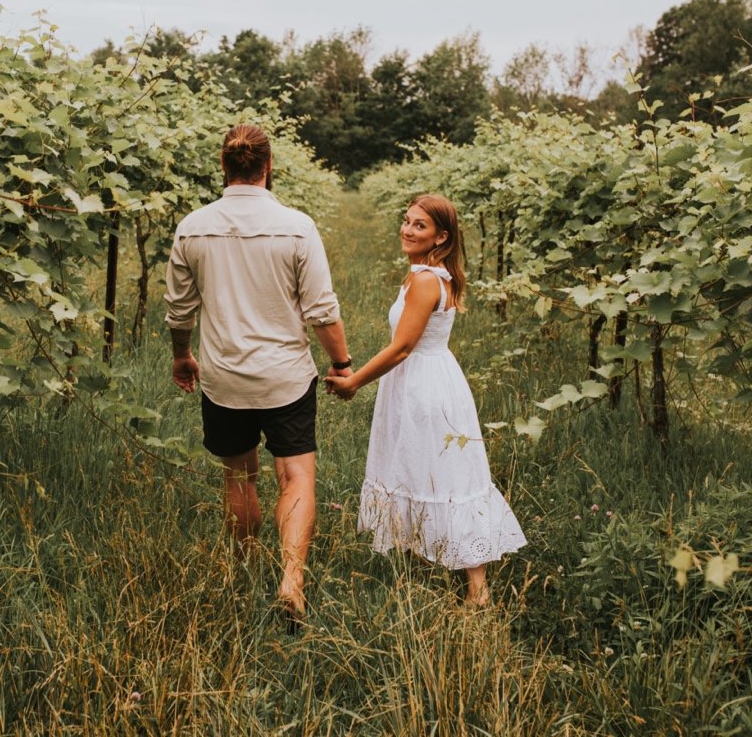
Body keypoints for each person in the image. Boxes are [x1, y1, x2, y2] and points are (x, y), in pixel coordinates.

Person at [165, 124, 352, 625]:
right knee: (295, 476)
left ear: (223, 167)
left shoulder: (192, 226)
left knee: (238, 476)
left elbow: (179, 311)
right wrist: (341, 363)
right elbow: (322, 311)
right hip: (286, 377)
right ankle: (291, 580)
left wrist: (183, 355)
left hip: (224, 378)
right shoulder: (297, 226)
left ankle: (248, 568)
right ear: (268, 168)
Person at [325, 194, 526, 606]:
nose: (407, 229)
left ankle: (477, 588)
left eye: (420, 225)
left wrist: (353, 383)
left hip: (422, 385)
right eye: (406, 221)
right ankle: (440, 565)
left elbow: (401, 348)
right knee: (430, 468)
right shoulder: (432, 275)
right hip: (429, 379)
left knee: (444, 474)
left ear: (441, 237)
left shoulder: (424, 280)